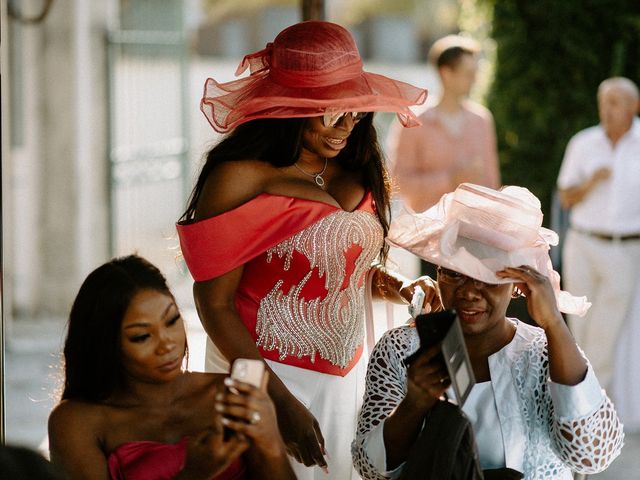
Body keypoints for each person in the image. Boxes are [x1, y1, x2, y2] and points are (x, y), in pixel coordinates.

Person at [176, 20, 439, 480]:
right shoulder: (239, 177)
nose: (346, 126)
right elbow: (212, 303)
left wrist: (399, 286)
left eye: (354, 110)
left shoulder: (357, 162)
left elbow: (343, 265)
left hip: (347, 376)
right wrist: (277, 399)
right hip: (264, 373)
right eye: (330, 112)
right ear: (291, 106)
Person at [352, 183, 624, 479]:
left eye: (489, 277)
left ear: (519, 284)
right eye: (454, 273)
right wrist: (412, 406)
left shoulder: (545, 353)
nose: (469, 292)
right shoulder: (401, 349)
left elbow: (592, 456)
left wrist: (554, 324)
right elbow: (371, 468)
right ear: (438, 272)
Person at [48, 255, 295, 480]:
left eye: (172, 320)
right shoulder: (77, 421)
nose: (167, 344)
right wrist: (193, 474)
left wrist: (270, 441)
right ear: (105, 345)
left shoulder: (228, 395)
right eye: (142, 336)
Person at [556, 76, 640, 391]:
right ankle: (582, 402)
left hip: (625, 249)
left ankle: (592, 404)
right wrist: (591, 182)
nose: (607, 109)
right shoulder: (583, 143)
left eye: (615, 102)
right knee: (579, 327)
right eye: (603, 101)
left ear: (634, 106)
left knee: (606, 333)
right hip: (583, 244)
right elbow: (565, 197)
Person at [387, 34, 500, 215]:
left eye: (475, 74)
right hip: (425, 232)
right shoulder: (413, 121)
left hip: (473, 232)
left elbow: (492, 182)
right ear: (446, 73)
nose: (475, 80)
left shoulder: (482, 120)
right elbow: (399, 183)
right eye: (468, 74)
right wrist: (450, 179)